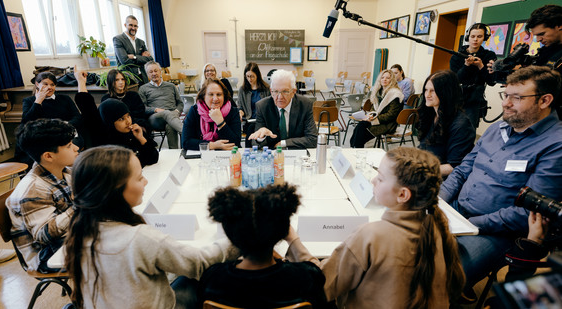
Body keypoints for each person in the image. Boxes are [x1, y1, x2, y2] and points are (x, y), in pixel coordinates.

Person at [286, 147, 465, 308]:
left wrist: (293, 240)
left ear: (403, 195)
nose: (372, 180)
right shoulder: (436, 227)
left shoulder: (371, 235)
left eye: (380, 178)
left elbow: (322, 285)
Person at [64, 146, 240, 309]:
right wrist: (239, 235)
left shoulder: (79, 231)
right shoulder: (141, 238)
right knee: (202, 279)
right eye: (140, 177)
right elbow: (200, 263)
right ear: (115, 190)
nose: (146, 181)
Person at [439, 66, 562, 298]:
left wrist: (469, 224)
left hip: (494, 231)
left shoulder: (556, 145)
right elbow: (463, 169)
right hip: (457, 211)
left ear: (545, 100)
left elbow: (527, 212)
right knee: (403, 246)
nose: (506, 103)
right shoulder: (497, 128)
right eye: (505, 95)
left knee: (442, 275)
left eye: (516, 98)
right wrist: (441, 201)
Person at [197, 184, 330, 308]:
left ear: (230, 235)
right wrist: (293, 240)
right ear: (283, 232)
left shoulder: (213, 279)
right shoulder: (307, 278)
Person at [6, 119, 79, 272]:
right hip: (47, 255)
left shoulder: (64, 171)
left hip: (70, 236)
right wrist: (81, 204)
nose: (76, 148)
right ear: (49, 156)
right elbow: (44, 234)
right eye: (69, 146)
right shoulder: (32, 190)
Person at [416, 70, 476, 177]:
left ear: (445, 93)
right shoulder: (430, 114)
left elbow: (455, 166)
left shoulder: (461, 124)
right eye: (426, 90)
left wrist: (419, 170)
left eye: (432, 91)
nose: (427, 95)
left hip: (441, 180)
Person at [17, 72, 83, 164]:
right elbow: (26, 122)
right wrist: (38, 101)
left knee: (67, 149)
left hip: (66, 133)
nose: (49, 87)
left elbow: (77, 117)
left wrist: (65, 125)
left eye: (52, 84)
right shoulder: (29, 101)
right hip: (44, 137)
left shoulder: (65, 99)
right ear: (37, 84)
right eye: (45, 84)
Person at [248, 70, 317, 149]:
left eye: (285, 91)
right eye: (276, 91)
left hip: (297, 154)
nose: (280, 97)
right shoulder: (263, 106)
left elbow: (313, 139)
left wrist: (284, 143)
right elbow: (256, 144)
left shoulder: (305, 105)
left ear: (293, 92)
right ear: (271, 91)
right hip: (273, 154)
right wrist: (261, 137)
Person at [450, 23, 497, 128]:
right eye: (473, 36)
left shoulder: (489, 56)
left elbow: (491, 81)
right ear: (468, 37)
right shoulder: (456, 57)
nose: (475, 39)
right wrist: (466, 66)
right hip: (457, 99)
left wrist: (481, 66)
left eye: (479, 36)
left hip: (475, 102)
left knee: (469, 131)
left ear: (485, 38)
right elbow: (455, 80)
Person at [182, 78, 241, 150]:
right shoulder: (194, 111)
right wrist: (212, 145)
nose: (215, 98)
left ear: (224, 96)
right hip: (202, 156)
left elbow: (236, 143)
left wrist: (220, 122)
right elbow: (185, 142)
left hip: (227, 156)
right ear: (204, 96)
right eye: (211, 94)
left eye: (219, 94)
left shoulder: (233, 112)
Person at [350, 69, 404, 148]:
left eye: (388, 78)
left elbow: (391, 115)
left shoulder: (395, 94)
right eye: (382, 77)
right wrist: (370, 116)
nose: (384, 79)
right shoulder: (379, 91)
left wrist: (375, 119)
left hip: (388, 124)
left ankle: (356, 149)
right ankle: (355, 148)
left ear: (392, 80)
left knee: (361, 133)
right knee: (360, 126)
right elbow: (373, 108)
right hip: (378, 120)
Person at [98, 99, 159, 167]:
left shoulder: (133, 132)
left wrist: (141, 138)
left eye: (128, 116)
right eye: (121, 119)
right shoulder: (108, 144)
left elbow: (154, 158)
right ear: (110, 122)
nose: (128, 121)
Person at [139, 61, 184, 149]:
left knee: (170, 125)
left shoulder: (171, 86)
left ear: (160, 71)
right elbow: (142, 108)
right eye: (150, 72)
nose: (154, 73)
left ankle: (174, 152)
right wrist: (155, 109)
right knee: (166, 113)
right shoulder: (143, 89)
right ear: (147, 74)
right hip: (155, 119)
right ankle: (186, 132)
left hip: (172, 117)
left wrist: (176, 111)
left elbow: (180, 103)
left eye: (156, 71)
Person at [102, 69, 150, 133]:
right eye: (117, 80)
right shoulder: (106, 99)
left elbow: (140, 113)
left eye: (122, 79)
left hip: (135, 123)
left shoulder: (133, 95)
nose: (121, 82)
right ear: (111, 82)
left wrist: (128, 122)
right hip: (116, 128)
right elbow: (108, 119)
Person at [237, 62, 270, 148]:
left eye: (252, 76)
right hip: (249, 121)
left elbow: (270, 106)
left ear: (257, 75)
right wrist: (240, 112)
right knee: (251, 129)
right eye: (247, 76)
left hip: (263, 121)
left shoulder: (266, 89)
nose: (249, 79)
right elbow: (240, 106)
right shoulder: (243, 90)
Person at [113, 15, 153, 84]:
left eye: (135, 26)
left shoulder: (141, 42)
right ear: (125, 25)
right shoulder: (118, 39)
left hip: (143, 77)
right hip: (129, 78)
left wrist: (134, 57)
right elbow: (124, 61)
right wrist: (142, 59)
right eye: (131, 25)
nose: (133, 28)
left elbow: (150, 59)